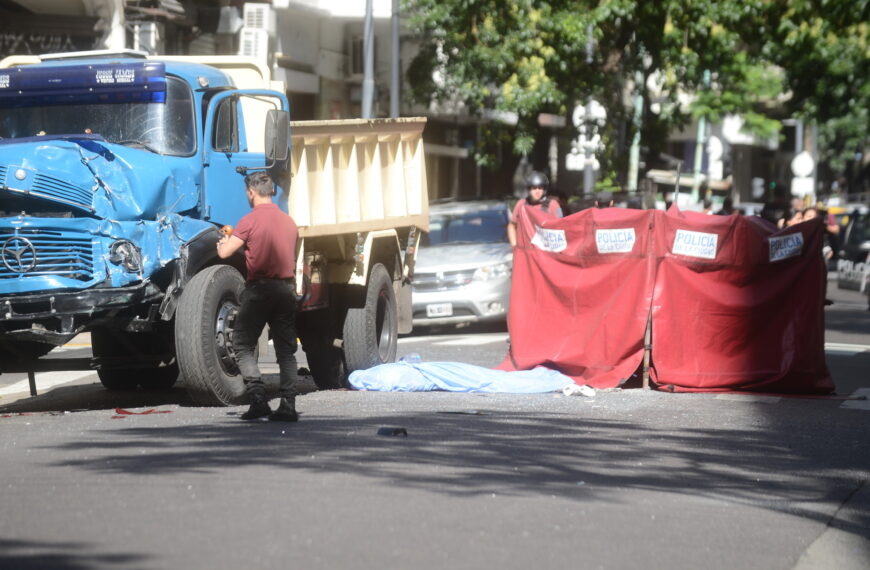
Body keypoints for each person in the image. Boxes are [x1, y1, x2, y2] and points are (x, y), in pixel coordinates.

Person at [216, 171, 301, 422]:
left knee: (242, 344)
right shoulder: (289, 222)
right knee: (286, 352)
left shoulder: (248, 221)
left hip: (260, 291)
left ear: (251, 192)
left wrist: (223, 240)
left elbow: (225, 254)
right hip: (286, 289)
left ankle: (257, 399)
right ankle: (288, 405)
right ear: (271, 192)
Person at [507, 171, 562, 246]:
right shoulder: (521, 204)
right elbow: (512, 226)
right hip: (526, 252)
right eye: (534, 188)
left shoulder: (553, 204)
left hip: (545, 252)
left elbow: (562, 227)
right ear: (529, 189)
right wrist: (514, 245)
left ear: (544, 189)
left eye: (540, 188)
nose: (537, 191)